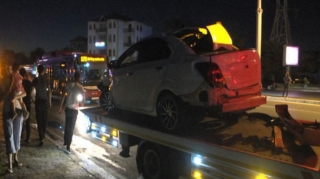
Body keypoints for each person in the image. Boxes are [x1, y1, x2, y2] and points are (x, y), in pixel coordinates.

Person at [1, 64, 24, 174]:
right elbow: (1, 98)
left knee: (17, 134)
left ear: (11, 69)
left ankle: (15, 159)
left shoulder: (17, 80)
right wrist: (8, 92)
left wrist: (16, 97)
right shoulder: (2, 82)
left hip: (18, 111)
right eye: (5, 68)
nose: (7, 70)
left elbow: (24, 93)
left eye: (8, 68)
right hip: (6, 111)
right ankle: (10, 164)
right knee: (9, 136)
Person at [58, 71, 85, 153]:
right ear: (79, 78)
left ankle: (65, 141)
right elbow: (83, 101)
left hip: (68, 108)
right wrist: (81, 103)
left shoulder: (69, 85)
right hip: (75, 109)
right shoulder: (81, 87)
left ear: (74, 77)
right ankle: (68, 145)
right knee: (71, 127)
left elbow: (63, 95)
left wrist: (60, 107)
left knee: (67, 125)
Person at [32, 65, 52, 146]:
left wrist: (32, 99)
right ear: (43, 71)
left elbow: (32, 91)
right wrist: (50, 102)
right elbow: (49, 91)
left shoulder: (35, 80)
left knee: (39, 120)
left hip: (38, 101)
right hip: (45, 101)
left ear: (37, 71)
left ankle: (41, 137)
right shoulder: (46, 80)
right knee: (44, 119)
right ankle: (43, 135)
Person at [19, 68, 34, 142]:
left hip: (20, 102)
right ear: (25, 74)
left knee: (20, 119)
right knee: (28, 120)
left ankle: (21, 135)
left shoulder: (19, 82)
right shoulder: (29, 83)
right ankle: (28, 137)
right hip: (28, 102)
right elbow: (31, 93)